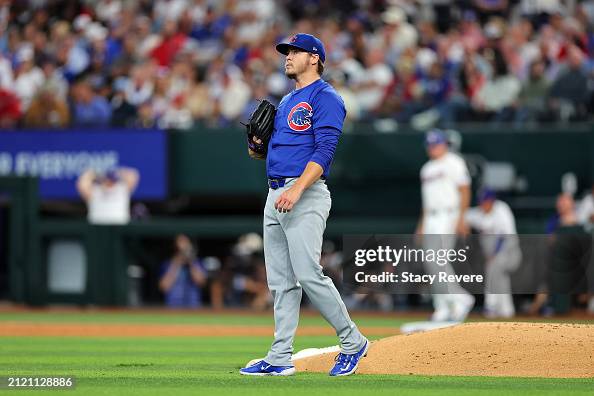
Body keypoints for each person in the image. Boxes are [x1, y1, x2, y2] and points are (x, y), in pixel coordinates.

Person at [240, 33, 368, 377]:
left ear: (315, 58)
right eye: (286, 51)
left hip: (304, 193)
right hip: (275, 193)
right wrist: (257, 148)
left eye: (295, 51)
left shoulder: (325, 97)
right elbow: (274, 151)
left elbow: (325, 151)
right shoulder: (286, 101)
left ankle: (353, 341)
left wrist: (297, 189)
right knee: (280, 282)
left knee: (309, 273)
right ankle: (280, 356)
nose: (288, 56)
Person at [416, 129, 475, 322]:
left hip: (449, 214)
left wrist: (461, 218)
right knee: (430, 263)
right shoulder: (426, 169)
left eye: (437, 143)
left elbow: (465, 190)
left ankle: (460, 298)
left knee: (438, 260)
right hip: (431, 217)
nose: (433, 147)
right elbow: (426, 202)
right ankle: (442, 307)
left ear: (444, 144)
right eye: (430, 144)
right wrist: (421, 225)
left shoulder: (454, 162)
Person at [465, 189, 522, 318]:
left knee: (493, 268)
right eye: (481, 202)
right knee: (499, 276)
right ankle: (506, 310)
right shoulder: (477, 214)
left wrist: (494, 255)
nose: (483, 204)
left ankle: (491, 306)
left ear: (492, 201)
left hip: (511, 252)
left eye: (485, 202)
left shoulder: (501, 209)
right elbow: (463, 218)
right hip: (493, 256)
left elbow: (504, 237)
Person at [158, 234, 207, 308]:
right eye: (180, 242)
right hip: (173, 305)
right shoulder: (167, 264)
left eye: (185, 242)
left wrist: (190, 261)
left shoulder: (197, 262)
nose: (183, 247)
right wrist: (177, 263)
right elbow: (164, 287)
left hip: (193, 305)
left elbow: (201, 282)